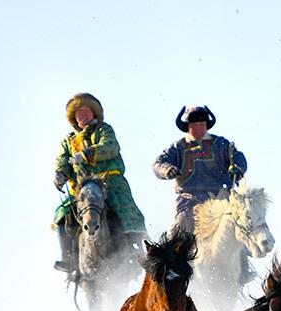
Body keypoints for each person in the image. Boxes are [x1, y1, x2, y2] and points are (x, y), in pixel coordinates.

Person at [52, 93, 147, 272]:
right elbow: (63, 160)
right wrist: (60, 174)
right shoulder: (68, 140)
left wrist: (86, 155)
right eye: (79, 113)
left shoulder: (104, 130)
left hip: (109, 181)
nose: (83, 115)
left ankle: (136, 250)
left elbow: (110, 147)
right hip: (82, 187)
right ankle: (69, 257)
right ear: (74, 117)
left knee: (124, 206)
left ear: (94, 113)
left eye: (86, 111)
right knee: (63, 213)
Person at [153, 106, 248, 232]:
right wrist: (166, 169)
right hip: (189, 199)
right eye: (195, 125)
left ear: (207, 125)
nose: (199, 128)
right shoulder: (178, 147)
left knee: (243, 222)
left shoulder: (221, 144)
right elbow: (159, 163)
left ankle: (245, 251)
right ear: (188, 127)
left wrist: (237, 168)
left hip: (222, 196)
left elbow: (237, 157)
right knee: (182, 227)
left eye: (202, 124)